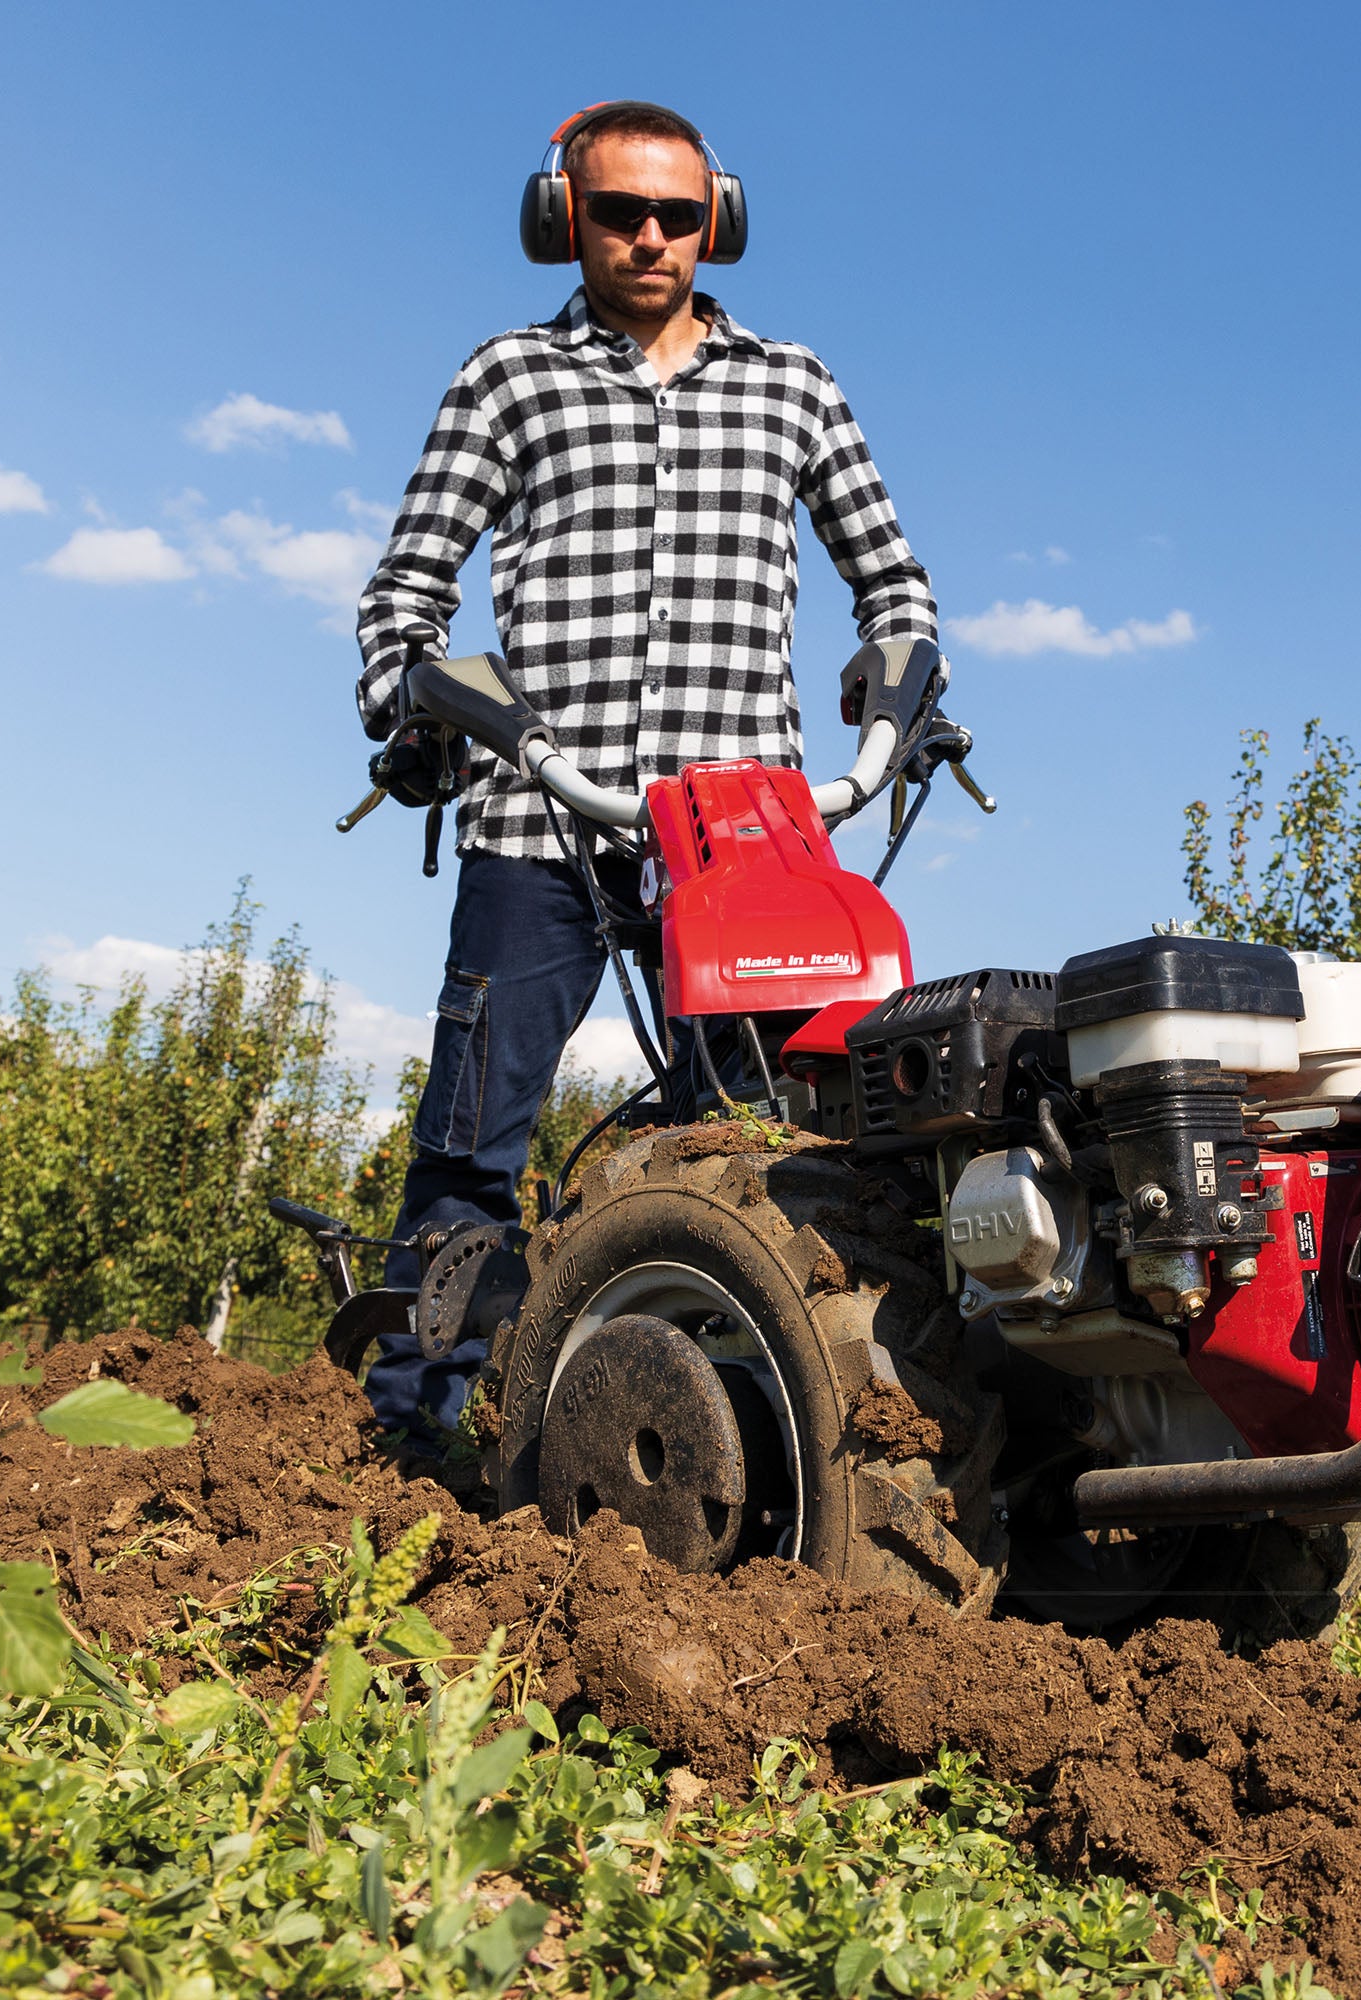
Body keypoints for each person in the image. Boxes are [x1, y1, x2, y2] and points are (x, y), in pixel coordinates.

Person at [350, 100, 938, 1445]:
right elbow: (405, 594)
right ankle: (411, 1436)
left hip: (742, 845)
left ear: (716, 221)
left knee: (770, 1155)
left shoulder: (795, 387)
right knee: (468, 1149)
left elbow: (893, 586)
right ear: (564, 218)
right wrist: (416, 706)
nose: (651, 240)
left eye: (678, 216)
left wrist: (898, 680)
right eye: (619, 213)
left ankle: (747, 1439)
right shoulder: (507, 378)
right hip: (536, 817)